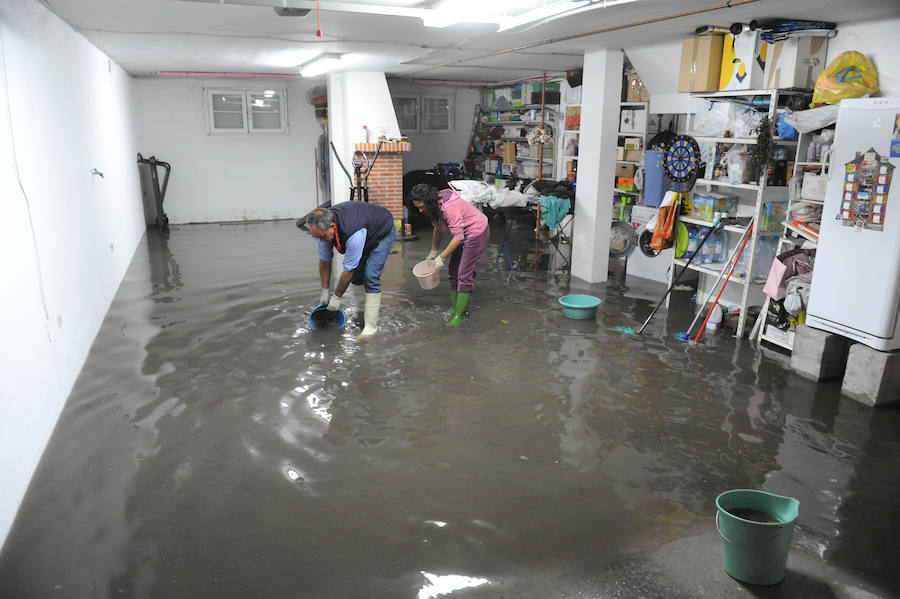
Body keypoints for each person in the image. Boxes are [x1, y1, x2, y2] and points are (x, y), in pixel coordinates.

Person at [299, 202, 396, 338]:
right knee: (357, 277)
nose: (321, 241)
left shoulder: (353, 233)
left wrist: (337, 297)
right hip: (364, 228)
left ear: (332, 226)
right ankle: (361, 311)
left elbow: (348, 271)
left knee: (371, 275)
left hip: (382, 231)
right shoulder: (322, 232)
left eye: (323, 237)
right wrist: (325, 291)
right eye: (318, 238)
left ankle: (371, 326)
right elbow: (325, 261)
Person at [410, 183, 489, 326]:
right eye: (418, 208)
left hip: (476, 232)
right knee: (453, 272)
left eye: (422, 207)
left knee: (464, 274)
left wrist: (442, 257)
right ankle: (454, 307)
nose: (421, 211)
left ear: (429, 202)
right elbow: (438, 229)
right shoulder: (433, 208)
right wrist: (434, 251)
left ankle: (461, 315)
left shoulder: (450, 208)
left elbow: (458, 237)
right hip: (461, 234)